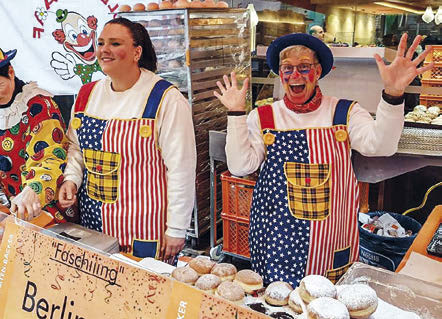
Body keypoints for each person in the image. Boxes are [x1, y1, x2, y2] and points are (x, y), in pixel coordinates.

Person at [214, 33, 433, 286]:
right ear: (280, 74)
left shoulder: (344, 112)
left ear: (318, 72)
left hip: (331, 244)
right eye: (287, 68)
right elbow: (241, 167)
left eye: (304, 67)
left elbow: (381, 145)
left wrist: (393, 95)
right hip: (276, 242)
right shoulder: (263, 117)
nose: (295, 75)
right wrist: (236, 113)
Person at [59, 18, 196, 264]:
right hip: (95, 225)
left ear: (136, 52)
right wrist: (71, 179)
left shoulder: (165, 98)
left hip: (145, 229)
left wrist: (176, 229)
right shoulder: (86, 95)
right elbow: (77, 149)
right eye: (101, 43)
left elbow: (181, 169)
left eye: (115, 43)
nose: (104, 50)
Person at [0, 48, 68, 222]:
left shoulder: (39, 106)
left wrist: (33, 189)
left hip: (47, 207)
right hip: (12, 208)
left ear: (10, 72)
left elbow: (51, 157)